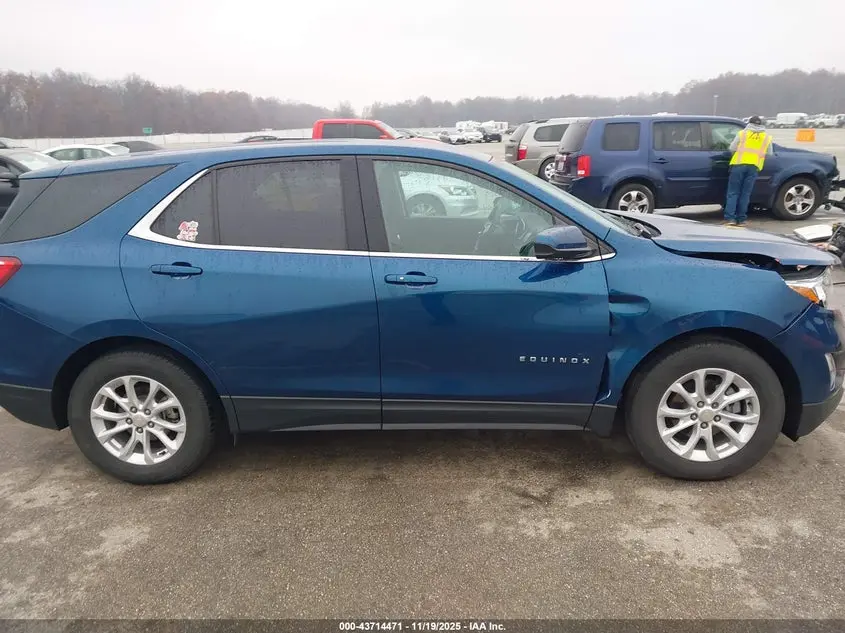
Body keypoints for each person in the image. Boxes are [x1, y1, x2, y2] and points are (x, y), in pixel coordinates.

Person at [723, 115, 773, 227]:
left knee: (733, 193)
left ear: (749, 123)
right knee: (745, 194)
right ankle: (741, 219)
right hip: (754, 167)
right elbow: (769, 153)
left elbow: (732, 148)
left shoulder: (742, 133)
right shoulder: (766, 137)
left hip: (739, 165)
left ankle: (730, 218)